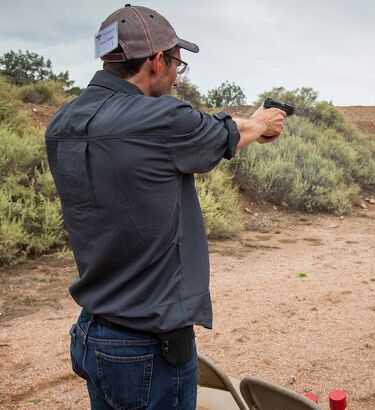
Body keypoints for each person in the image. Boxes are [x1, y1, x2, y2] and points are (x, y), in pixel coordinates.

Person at [45, 5, 286, 409]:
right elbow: (225, 132)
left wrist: (250, 123)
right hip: (148, 346)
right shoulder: (162, 119)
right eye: (177, 63)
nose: (177, 74)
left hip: (94, 331)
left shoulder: (62, 122)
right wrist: (261, 124)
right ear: (157, 61)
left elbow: (216, 127)